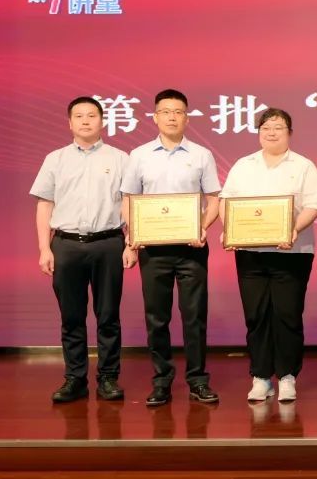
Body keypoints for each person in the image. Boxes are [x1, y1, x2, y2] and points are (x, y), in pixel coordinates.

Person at [30, 96, 137, 403]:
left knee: (108, 315)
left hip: (109, 243)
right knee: (71, 316)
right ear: (70, 123)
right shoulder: (56, 159)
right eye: (79, 116)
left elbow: (130, 204)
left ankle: (108, 377)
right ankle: (75, 378)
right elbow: (44, 204)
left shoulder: (120, 159)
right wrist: (44, 248)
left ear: (102, 121)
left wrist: (131, 243)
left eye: (92, 115)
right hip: (66, 245)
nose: (86, 120)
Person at [122, 89, 221, 407]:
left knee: (195, 316)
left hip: (192, 247)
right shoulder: (139, 155)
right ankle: (161, 381)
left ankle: (198, 380)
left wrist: (202, 228)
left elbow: (214, 200)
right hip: (153, 249)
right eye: (166, 112)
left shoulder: (202, 154)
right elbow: (128, 200)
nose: (172, 117)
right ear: (155, 117)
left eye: (178, 112)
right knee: (157, 317)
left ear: (187, 118)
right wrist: (133, 236)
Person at [220, 108, 317, 402]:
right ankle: (261, 376)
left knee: (287, 314)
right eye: (266, 127)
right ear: (259, 132)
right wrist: (230, 229)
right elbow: (227, 201)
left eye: (278, 127)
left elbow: (314, 205)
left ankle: (287, 376)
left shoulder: (303, 166)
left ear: (289, 132)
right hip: (250, 252)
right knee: (256, 315)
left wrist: (293, 229)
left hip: (292, 252)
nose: (272, 132)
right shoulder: (244, 165)